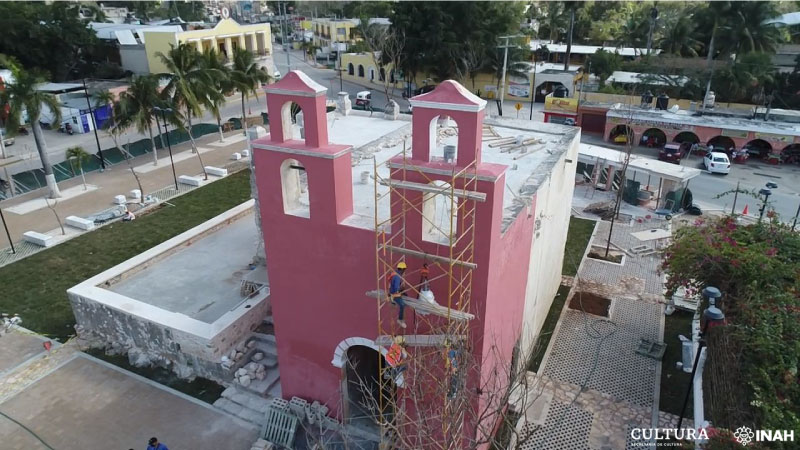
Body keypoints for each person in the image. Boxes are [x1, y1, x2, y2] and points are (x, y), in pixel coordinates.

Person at [389, 261, 407, 328]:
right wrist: (401, 289)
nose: (404, 271)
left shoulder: (395, 273)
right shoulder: (397, 277)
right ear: (402, 269)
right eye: (404, 270)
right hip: (394, 294)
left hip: (393, 291)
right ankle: (400, 319)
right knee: (402, 305)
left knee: (406, 295)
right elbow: (396, 289)